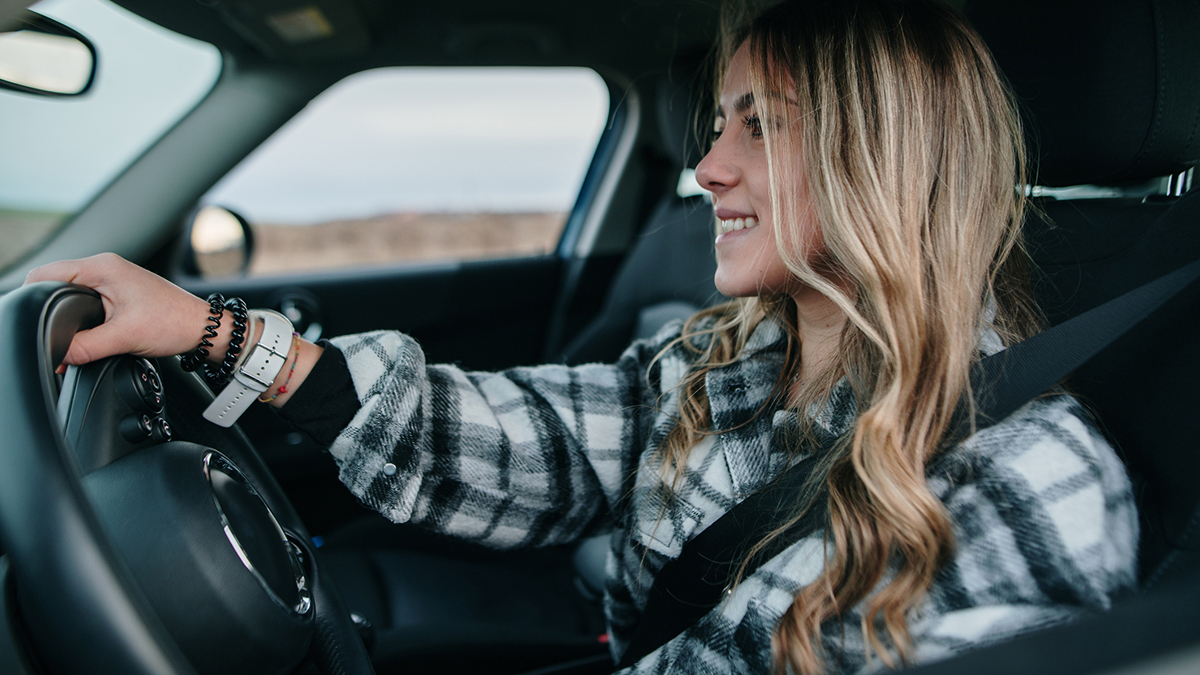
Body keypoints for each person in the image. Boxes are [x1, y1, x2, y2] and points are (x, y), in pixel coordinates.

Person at [26, 0, 1137, 672]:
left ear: (882, 158)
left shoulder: (1035, 480)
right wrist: (215, 334)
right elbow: (521, 438)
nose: (708, 168)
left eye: (764, 124)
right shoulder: (719, 361)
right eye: (716, 126)